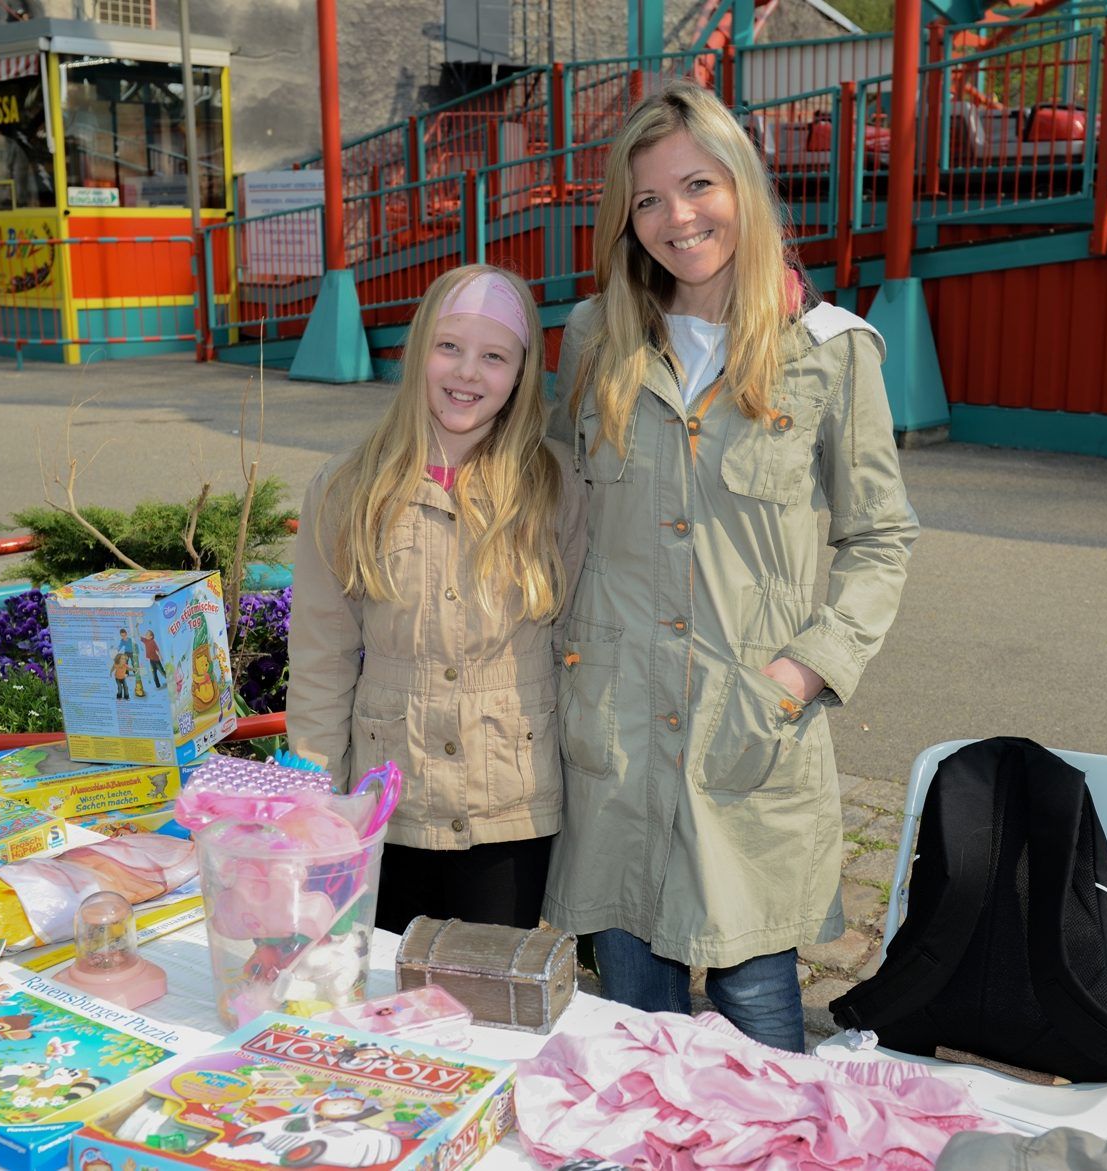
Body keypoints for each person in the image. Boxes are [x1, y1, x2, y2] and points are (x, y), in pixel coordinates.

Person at [545, 81, 919, 1051]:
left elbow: (882, 538)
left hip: (747, 735)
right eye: (648, 199)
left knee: (760, 1026)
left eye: (697, 185)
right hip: (617, 736)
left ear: (742, 187)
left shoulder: (830, 354)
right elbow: (550, 508)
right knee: (633, 1030)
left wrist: (799, 672)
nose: (677, 217)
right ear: (624, 221)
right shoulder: (594, 340)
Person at [287, 264, 589, 934]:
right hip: (393, 795)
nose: (467, 373)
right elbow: (321, 654)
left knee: (488, 996)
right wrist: (316, 796)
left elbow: (574, 638)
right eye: (448, 347)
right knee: (399, 999)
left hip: (511, 797)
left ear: (520, 373)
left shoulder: (555, 484)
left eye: (493, 356)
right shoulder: (347, 489)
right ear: (417, 348)